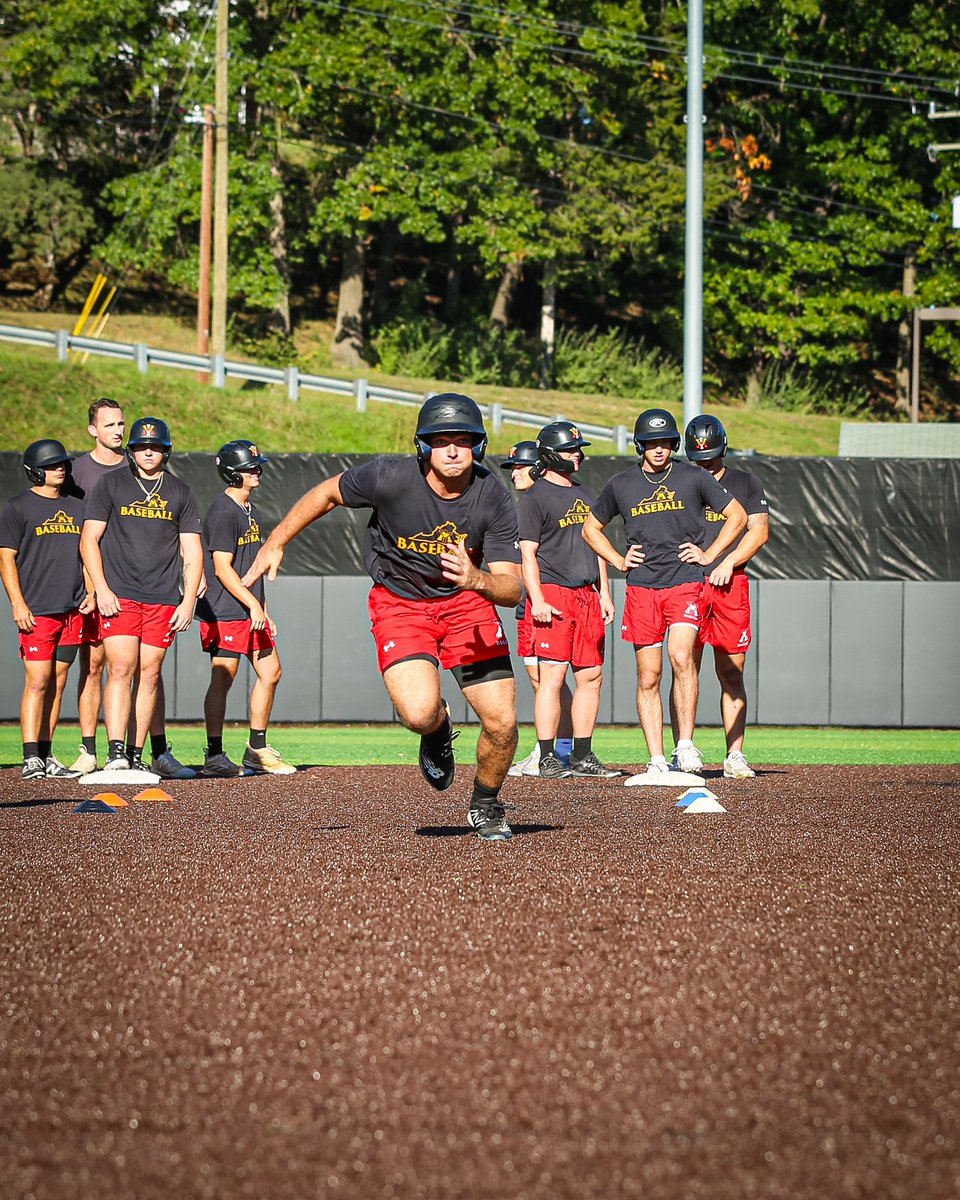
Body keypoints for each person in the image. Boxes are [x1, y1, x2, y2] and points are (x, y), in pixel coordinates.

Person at [243, 393, 523, 841]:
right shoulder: (390, 477)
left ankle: (486, 803)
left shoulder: (493, 496)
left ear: (480, 445)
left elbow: (513, 587)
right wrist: (276, 540)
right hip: (401, 604)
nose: (452, 450)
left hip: (467, 604)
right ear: (422, 446)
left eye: (463, 441)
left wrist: (478, 580)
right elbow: (327, 493)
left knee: (503, 722)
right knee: (417, 713)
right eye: (441, 440)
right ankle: (438, 727)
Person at [583, 408, 747, 775]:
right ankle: (657, 758)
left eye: (665, 443)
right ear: (640, 444)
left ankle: (685, 745)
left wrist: (710, 553)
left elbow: (737, 516)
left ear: (673, 444)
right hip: (642, 588)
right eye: (651, 443)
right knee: (648, 676)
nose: (658, 450)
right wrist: (618, 558)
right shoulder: (621, 484)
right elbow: (590, 529)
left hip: (686, 582)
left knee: (681, 656)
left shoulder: (693, 476)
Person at [67, 397, 183, 777]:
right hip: (106, 586)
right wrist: (96, 586)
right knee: (104, 666)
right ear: (93, 429)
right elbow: (85, 537)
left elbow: (189, 544)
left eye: (121, 424)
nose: (118, 431)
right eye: (111, 424)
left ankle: (146, 751)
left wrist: (189, 584)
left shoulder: (174, 487)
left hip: (158, 593)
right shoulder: (84, 474)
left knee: (148, 671)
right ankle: (95, 750)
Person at [517, 422, 619, 779]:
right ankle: (547, 755)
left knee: (591, 676)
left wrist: (604, 591)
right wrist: (538, 599)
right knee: (553, 678)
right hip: (554, 595)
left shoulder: (588, 494)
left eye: (578, 448)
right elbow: (527, 555)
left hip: (588, 595)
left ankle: (582, 755)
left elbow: (599, 546)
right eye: (568, 449)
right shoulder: (535, 498)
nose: (577, 453)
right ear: (548, 454)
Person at [677, 414, 769, 778]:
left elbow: (758, 531)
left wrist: (727, 561)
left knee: (731, 672)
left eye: (711, 459)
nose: (705, 466)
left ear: (723, 450)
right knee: (685, 667)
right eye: (699, 460)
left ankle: (734, 755)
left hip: (731, 586)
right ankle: (684, 749)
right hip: (687, 584)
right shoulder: (680, 483)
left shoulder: (745, 482)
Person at [197, 440, 294, 776]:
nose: (256, 471)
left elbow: (251, 567)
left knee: (271, 672)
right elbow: (223, 568)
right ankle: (214, 754)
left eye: (257, 465)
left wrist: (262, 608)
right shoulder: (223, 511)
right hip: (225, 609)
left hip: (249, 608)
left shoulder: (248, 509)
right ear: (231, 473)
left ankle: (256, 748)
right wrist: (253, 605)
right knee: (224, 678)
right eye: (248, 467)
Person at [0, 440, 89, 778]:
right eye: (53, 465)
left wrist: (91, 592)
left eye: (63, 463)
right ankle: (30, 757)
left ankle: (48, 754)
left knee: (58, 681)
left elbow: (86, 555)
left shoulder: (77, 507)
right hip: (37, 609)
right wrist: (18, 603)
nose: (60, 469)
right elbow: (5, 557)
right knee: (37, 681)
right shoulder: (17, 507)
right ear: (35, 469)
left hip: (72, 609)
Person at [499, 441, 574, 777]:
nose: (513, 472)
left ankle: (560, 750)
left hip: (544, 602)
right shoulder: (523, 507)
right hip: (526, 606)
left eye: (518, 466)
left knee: (550, 680)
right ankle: (555, 750)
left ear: (538, 468)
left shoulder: (545, 503)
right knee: (543, 681)